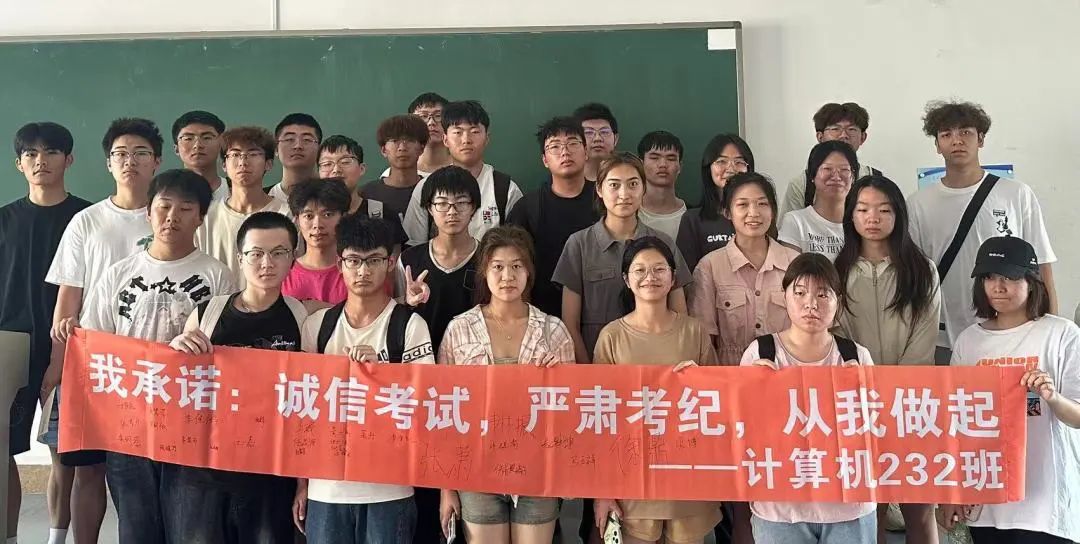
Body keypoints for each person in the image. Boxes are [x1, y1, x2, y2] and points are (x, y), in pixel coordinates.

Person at [59, 169, 238, 544]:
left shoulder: (218, 276)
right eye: (164, 206)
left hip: (192, 424)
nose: (172, 217)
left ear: (201, 217)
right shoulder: (118, 274)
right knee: (137, 529)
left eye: (185, 208)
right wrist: (73, 334)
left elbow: (228, 352)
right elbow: (96, 344)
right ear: (148, 212)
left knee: (193, 530)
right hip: (129, 424)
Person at [45, 116, 163, 544]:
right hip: (95, 364)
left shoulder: (170, 216)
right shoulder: (87, 221)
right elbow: (68, 296)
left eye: (140, 153)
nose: (130, 161)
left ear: (157, 162)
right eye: (120, 154)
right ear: (108, 163)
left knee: (151, 468)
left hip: (155, 367)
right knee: (88, 469)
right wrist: (57, 367)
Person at [292, 215, 433, 544]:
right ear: (339, 263)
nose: (363, 271)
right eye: (354, 261)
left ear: (390, 263)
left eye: (374, 261)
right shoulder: (317, 326)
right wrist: (302, 483)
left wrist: (382, 374)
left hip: (390, 488)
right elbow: (302, 413)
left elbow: (426, 402)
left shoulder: (409, 326)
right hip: (327, 488)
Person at [164, 211, 305, 543]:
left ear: (292, 258)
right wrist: (175, 350)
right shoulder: (208, 314)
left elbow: (310, 403)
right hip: (203, 473)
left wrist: (303, 481)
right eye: (256, 253)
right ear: (240, 258)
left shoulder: (303, 318)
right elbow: (177, 382)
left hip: (269, 473)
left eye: (278, 252)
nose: (266, 263)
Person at [437, 226, 573, 543]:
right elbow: (443, 413)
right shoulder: (460, 329)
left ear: (529, 272)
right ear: (484, 272)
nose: (507, 276)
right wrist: (447, 488)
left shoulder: (552, 330)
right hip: (475, 469)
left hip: (537, 469)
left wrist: (558, 378)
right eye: (498, 267)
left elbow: (570, 413)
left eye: (516, 266)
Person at [942, 236, 1080, 544]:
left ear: (1032, 282)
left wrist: (1052, 396)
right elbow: (955, 424)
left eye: (1010, 277)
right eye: (989, 277)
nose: (998, 286)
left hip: (1046, 504)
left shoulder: (1061, 334)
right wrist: (951, 492)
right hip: (986, 500)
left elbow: (1077, 416)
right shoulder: (969, 341)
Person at [832, 175, 941, 544]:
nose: (872, 218)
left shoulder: (921, 270)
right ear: (850, 215)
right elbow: (837, 339)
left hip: (912, 404)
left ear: (898, 215)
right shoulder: (837, 271)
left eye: (883, 210)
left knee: (919, 508)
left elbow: (924, 340)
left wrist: (897, 393)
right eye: (862, 209)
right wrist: (864, 390)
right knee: (870, 507)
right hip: (857, 404)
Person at [739, 252, 876, 543]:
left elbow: (879, 429)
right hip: (780, 506)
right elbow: (738, 426)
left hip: (849, 505)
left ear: (838, 301)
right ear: (785, 297)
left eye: (823, 294)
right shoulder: (760, 353)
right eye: (800, 293)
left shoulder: (856, 356)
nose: (811, 304)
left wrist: (862, 394)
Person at [592, 236, 721, 544]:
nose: (650, 277)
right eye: (640, 270)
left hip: (687, 480)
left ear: (673, 277)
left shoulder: (694, 331)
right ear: (626, 279)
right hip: (631, 484)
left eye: (659, 269)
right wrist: (603, 491)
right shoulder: (611, 337)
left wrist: (698, 383)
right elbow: (599, 422)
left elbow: (718, 403)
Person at [908, 100, 1056, 357]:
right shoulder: (918, 203)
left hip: (1012, 331)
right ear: (937, 145)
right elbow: (912, 273)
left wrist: (1050, 327)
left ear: (981, 139)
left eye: (966, 132)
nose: (957, 141)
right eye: (946, 134)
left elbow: (1041, 264)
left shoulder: (1015, 194)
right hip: (941, 334)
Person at [1, 122, 90, 544]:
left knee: (64, 450)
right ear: (19, 164)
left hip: (70, 345)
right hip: (10, 343)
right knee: (3, 449)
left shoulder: (88, 219)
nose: (41, 161)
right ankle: (10, 536)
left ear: (69, 159)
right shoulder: (4, 220)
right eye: (31, 154)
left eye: (51, 152)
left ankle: (57, 536)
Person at [395, 165, 481, 543]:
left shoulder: (489, 259)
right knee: (426, 486)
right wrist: (407, 304)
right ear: (429, 209)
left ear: (474, 208)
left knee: (469, 483)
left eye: (461, 203)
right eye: (442, 203)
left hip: (475, 389)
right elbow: (391, 323)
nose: (451, 211)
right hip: (422, 389)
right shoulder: (410, 260)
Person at [553, 152, 692, 364]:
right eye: (614, 185)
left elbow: (680, 317)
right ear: (599, 189)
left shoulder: (663, 243)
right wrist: (589, 371)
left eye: (633, 184)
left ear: (644, 189)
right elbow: (570, 324)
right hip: (597, 367)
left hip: (658, 366)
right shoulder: (579, 244)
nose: (624, 194)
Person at [506, 116, 599, 318]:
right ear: (545, 160)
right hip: (543, 314)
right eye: (555, 146)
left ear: (586, 152)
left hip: (600, 311)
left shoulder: (605, 200)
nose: (565, 151)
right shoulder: (527, 208)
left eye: (572, 143)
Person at [402, 100, 523, 246]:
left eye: (474, 132)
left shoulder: (505, 189)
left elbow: (517, 246)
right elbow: (414, 247)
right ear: (445, 139)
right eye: (458, 132)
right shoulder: (426, 187)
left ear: (487, 138)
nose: (466, 140)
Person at [196, 126, 292, 284]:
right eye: (235, 154)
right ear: (224, 165)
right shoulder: (206, 217)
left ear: (268, 164)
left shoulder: (286, 214)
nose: (243, 162)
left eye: (253, 154)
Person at [778, 102, 881, 220]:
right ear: (820, 136)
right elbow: (788, 227)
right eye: (835, 129)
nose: (844, 135)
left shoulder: (875, 179)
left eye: (851, 129)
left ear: (863, 137)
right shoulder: (802, 184)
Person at [676, 134, 754, 272]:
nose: (731, 169)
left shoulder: (758, 216)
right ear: (708, 168)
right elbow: (686, 276)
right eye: (721, 161)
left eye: (739, 162)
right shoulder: (693, 220)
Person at [778, 141, 857, 260]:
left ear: (853, 178)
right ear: (812, 175)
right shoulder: (795, 221)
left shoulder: (859, 224)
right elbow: (793, 269)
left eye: (844, 169)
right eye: (827, 169)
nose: (836, 177)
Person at [283, 178, 350, 305]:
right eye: (308, 216)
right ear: (297, 221)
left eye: (327, 214)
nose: (317, 225)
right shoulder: (283, 272)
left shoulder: (357, 271)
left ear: (343, 218)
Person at [363, 114, 430, 223]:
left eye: (410, 140)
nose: (402, 148)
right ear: (384, 150)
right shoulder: (368, 193)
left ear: (421, 149)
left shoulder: (432, 191)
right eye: (394, 141)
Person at [637, 130, 686, 241]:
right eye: (654, 158)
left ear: (680, 166)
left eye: (671, 159)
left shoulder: (692, 216)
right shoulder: (628, 213)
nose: (663, 164)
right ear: (641, 164)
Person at [172, 110, 228, 201]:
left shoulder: (237, 191)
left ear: (221, 145)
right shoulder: (164, 194)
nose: (197, 145)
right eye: (188, 138)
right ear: (176, 149)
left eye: (207, 138)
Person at [267, 113, 322, 201]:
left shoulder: (336, 198)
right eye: (289, 139)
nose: (298, 146)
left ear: (319, 149)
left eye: (307, 140)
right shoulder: (260, 199)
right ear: (276, 149)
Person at [573, 102, 619, 181]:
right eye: (588, 132)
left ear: (616, 139)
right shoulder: (564, 181)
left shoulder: (628, 178)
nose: (597, 138)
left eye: (604, 132)